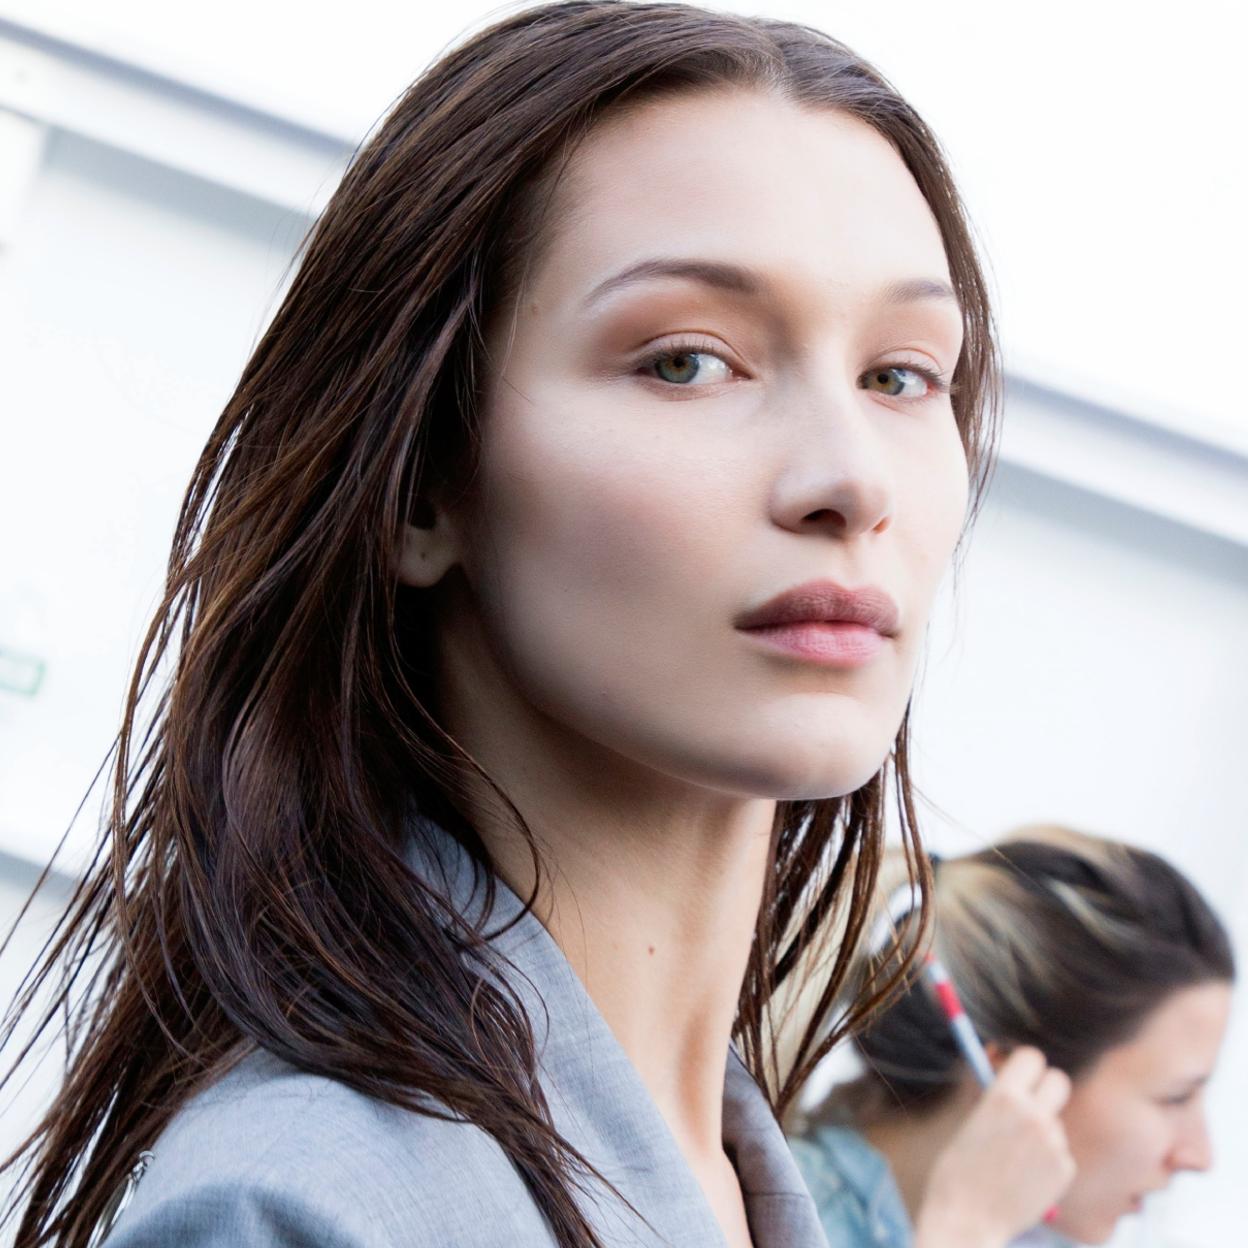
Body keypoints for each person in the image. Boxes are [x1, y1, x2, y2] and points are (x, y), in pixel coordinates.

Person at [0, 3, 1073, 1245]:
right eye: (686, 361)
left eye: (901, 376)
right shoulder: (309, 1210)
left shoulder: (729, 1182)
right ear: (421, 485)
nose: (852, 479)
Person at [791, 826, 1235, 1248]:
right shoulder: (775, 1219)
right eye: (1176, 1098)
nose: (1199, 1156)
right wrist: (965, 1231)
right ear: (1010, 1076)